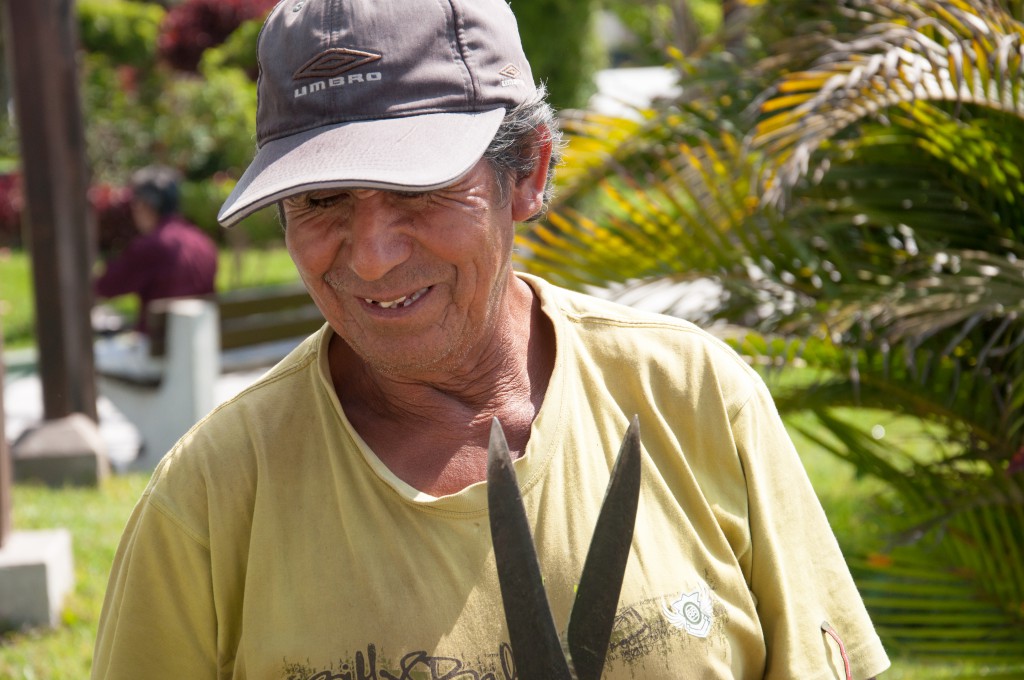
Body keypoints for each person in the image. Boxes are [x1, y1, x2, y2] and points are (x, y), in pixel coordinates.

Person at [92, 1, 890, 678]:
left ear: (530, 173)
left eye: (421, 187)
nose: (371, 254)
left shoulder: (695, 396)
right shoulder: (210, 498)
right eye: (322, 199)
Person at [93, 164, 218, 336]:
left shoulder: (153, 245)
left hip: (162, 351)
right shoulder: (203, 241)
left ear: (146, 204)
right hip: (201, 341)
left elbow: (104, 287)